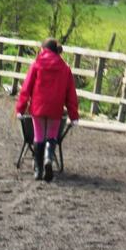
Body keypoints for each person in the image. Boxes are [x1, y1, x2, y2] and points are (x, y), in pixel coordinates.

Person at [16, 38, 79, 182]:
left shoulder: (37, 64)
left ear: (44, 49)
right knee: (52, 136)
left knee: (38, 136)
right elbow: (71, 94)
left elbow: (26, 88)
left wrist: (20, 108)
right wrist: (73, 115)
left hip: (38, 107)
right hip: (56, 108)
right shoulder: (65, 68)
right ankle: (48, 160)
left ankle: (38, 171)